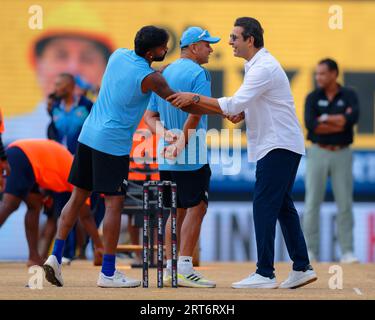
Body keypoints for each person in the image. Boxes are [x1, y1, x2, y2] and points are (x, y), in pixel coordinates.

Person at [167, 17, 318, 289]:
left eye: (234, 37)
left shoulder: (264, 67)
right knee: (282, 205)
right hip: (278, 144)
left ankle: (265, 272)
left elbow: (234, 101)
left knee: (264, 204)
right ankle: (301, 266)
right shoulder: (255, 66)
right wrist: (242, 111)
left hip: (278, 144)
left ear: (250, 39)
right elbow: (251, 103)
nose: (228, 42)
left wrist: (196, 99)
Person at [43, 25, 178, 288]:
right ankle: (108, 272)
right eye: (164, 47)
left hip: (88, 136)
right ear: (152, 52)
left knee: (77, 197)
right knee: (114, 204)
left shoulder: (118, 55)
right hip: (112, 145)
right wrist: (216, 106)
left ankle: (55, 257)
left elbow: (144, 74)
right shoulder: (152, 79)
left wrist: (159, 70)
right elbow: (174, 97)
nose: (166, 50)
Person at [144, 26, 220, 288]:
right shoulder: (199, 72)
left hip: (167, 158)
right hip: (192, 154)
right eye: (207, 44)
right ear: (194, 46)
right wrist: (180, 143)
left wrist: (167, 137)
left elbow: (150, 117)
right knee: (197, 207)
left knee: (174, 212)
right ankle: (185, 268)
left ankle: (169, 268)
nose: (211, 49)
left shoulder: (164, 72)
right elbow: (196, 112)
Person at [0, 139, 103, 267]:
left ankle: (34, 257)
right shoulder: (78, 176)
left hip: (26, 159)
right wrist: (99, 247)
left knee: (34, 206)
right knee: (10, 204)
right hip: (22, 156)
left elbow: (46, 173)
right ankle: (34, 256)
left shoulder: (70, 164)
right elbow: (86, 216)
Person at [303, 58, 360, 263]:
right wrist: (337, 121)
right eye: (317, 73)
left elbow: (351, 121)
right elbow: (312, 125)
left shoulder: (349, 95)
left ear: (334, 74)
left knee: (344, 203)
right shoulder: (312, 97)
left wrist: (325, 120)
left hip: (342, 153)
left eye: (323, 74)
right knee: (312, 203)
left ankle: (347, 251)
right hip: (318, 151)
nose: (319, 77)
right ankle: (310, 250)